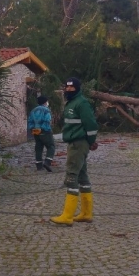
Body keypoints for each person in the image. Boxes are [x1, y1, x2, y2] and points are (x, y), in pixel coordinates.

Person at [50, 77, 99, 225]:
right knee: (82, 176)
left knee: (71, 176)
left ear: (77, 88)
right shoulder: (72, 102)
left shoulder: (81, 103)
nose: (68, 90)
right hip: (74, 142)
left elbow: (91, 124)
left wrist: (91, 142)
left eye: (72, 88)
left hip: (79, 143)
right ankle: (86, 213)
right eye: (67, 87)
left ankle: (67, 216)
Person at [27, 95, 55, 171]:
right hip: (45, 131)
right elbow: (47, 120)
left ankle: (39, 165)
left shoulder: (33, 110)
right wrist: (44, 128)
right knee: (51, 146)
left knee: (38, 148)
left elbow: (30, 121)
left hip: (35, 131)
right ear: (45, 102)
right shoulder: (46, 110)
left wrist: (32, 129)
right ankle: (47, 162)